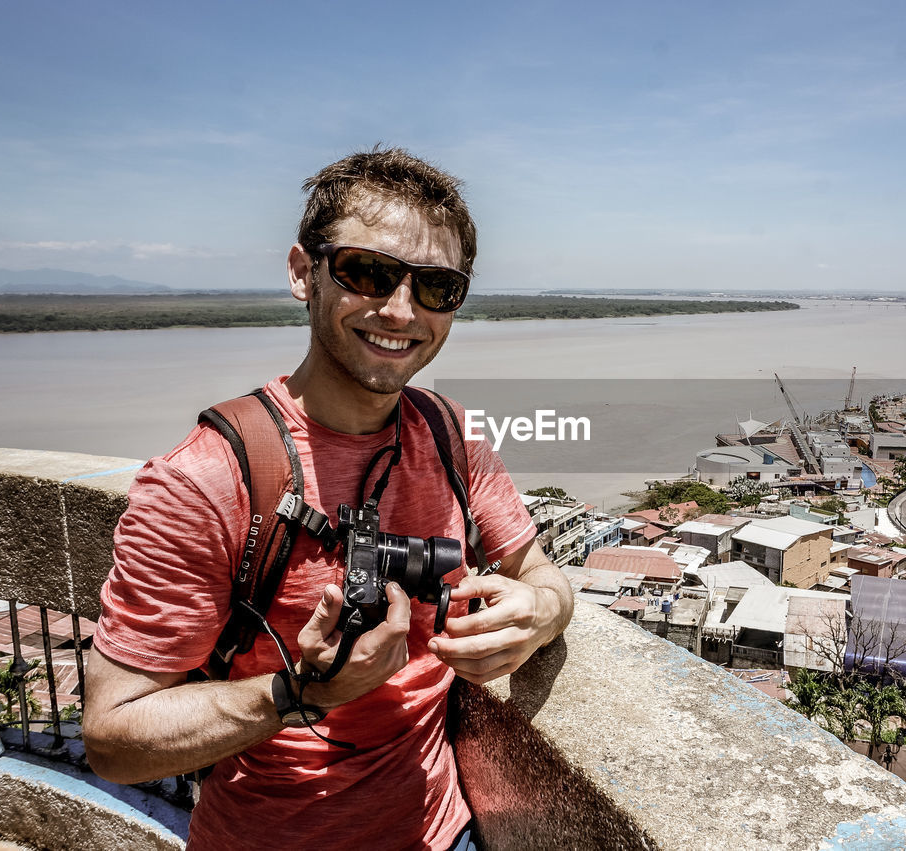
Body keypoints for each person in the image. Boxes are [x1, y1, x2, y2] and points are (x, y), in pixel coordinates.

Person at [82, 147, 573, 850]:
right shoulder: (209, 479)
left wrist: (541, 612)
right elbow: (112, 738)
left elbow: (542, 575)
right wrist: (298, 692)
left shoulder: (451, 436)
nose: (401, 311)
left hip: (444, 828)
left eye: (437, 287)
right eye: (368, 272)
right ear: (301, 273)